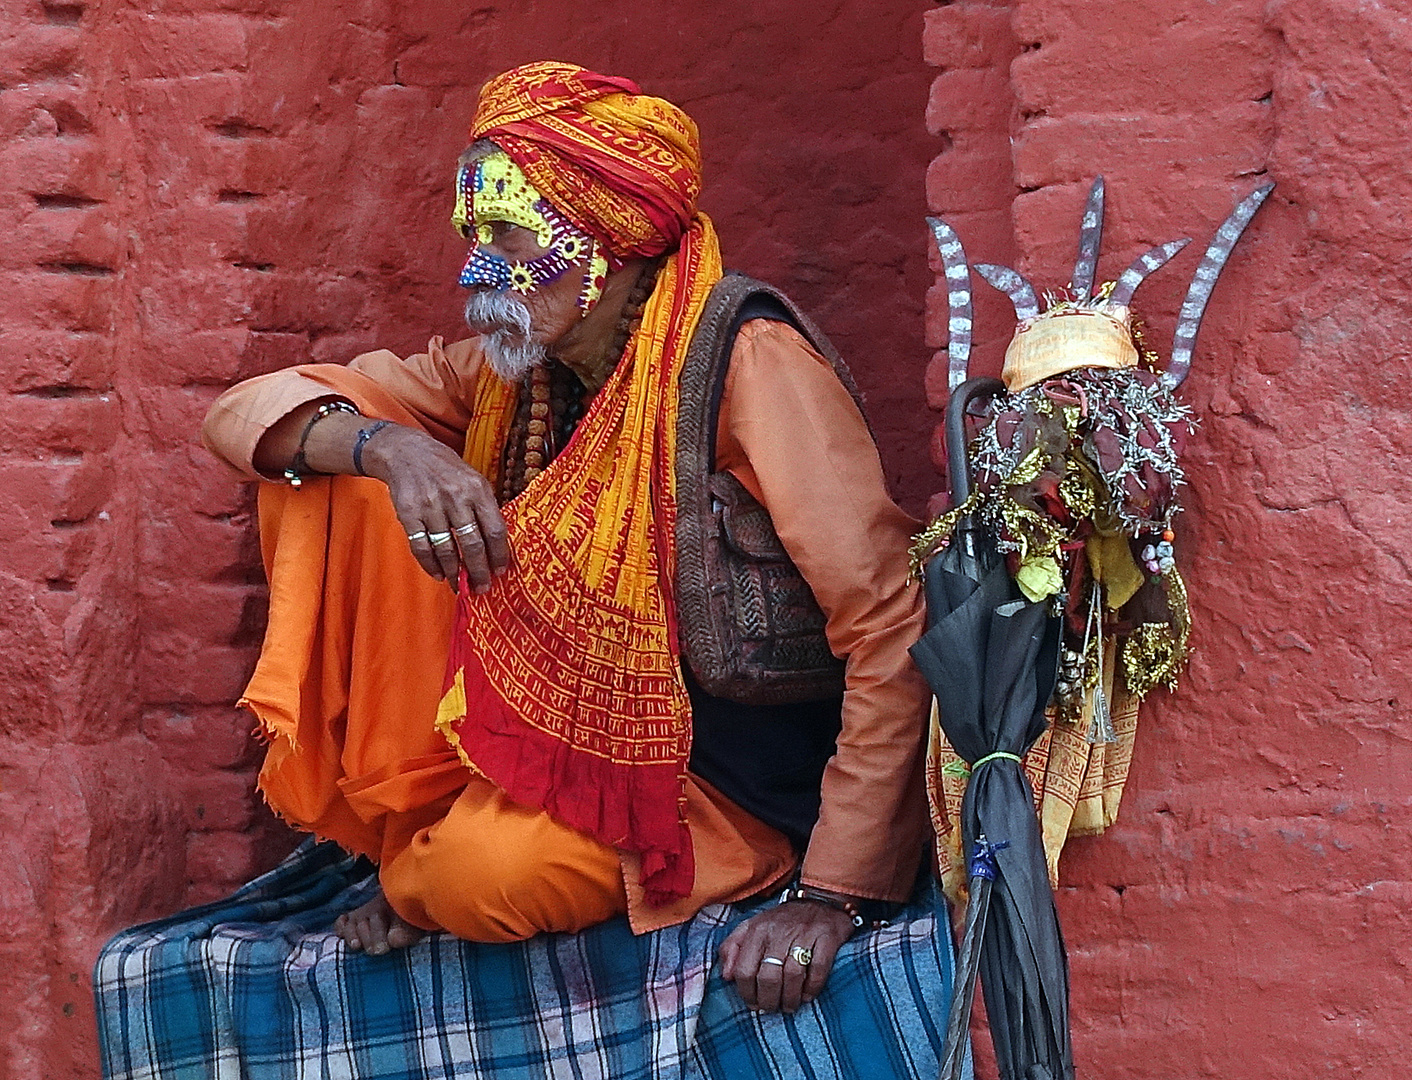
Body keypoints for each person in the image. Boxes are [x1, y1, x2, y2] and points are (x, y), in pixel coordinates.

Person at [201, 61, 931, 1016]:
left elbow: (889, 619)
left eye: (505, 234)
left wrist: (837, 892)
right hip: (567, 749)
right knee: (327, 474)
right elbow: (246, 415)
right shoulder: (514, 373)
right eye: (471, 237)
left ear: (612, 238)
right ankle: (425, 831)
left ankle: (442, 867)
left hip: (718, 784)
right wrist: (391, 451)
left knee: (469, 879)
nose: (475, 270)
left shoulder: (749, 363)